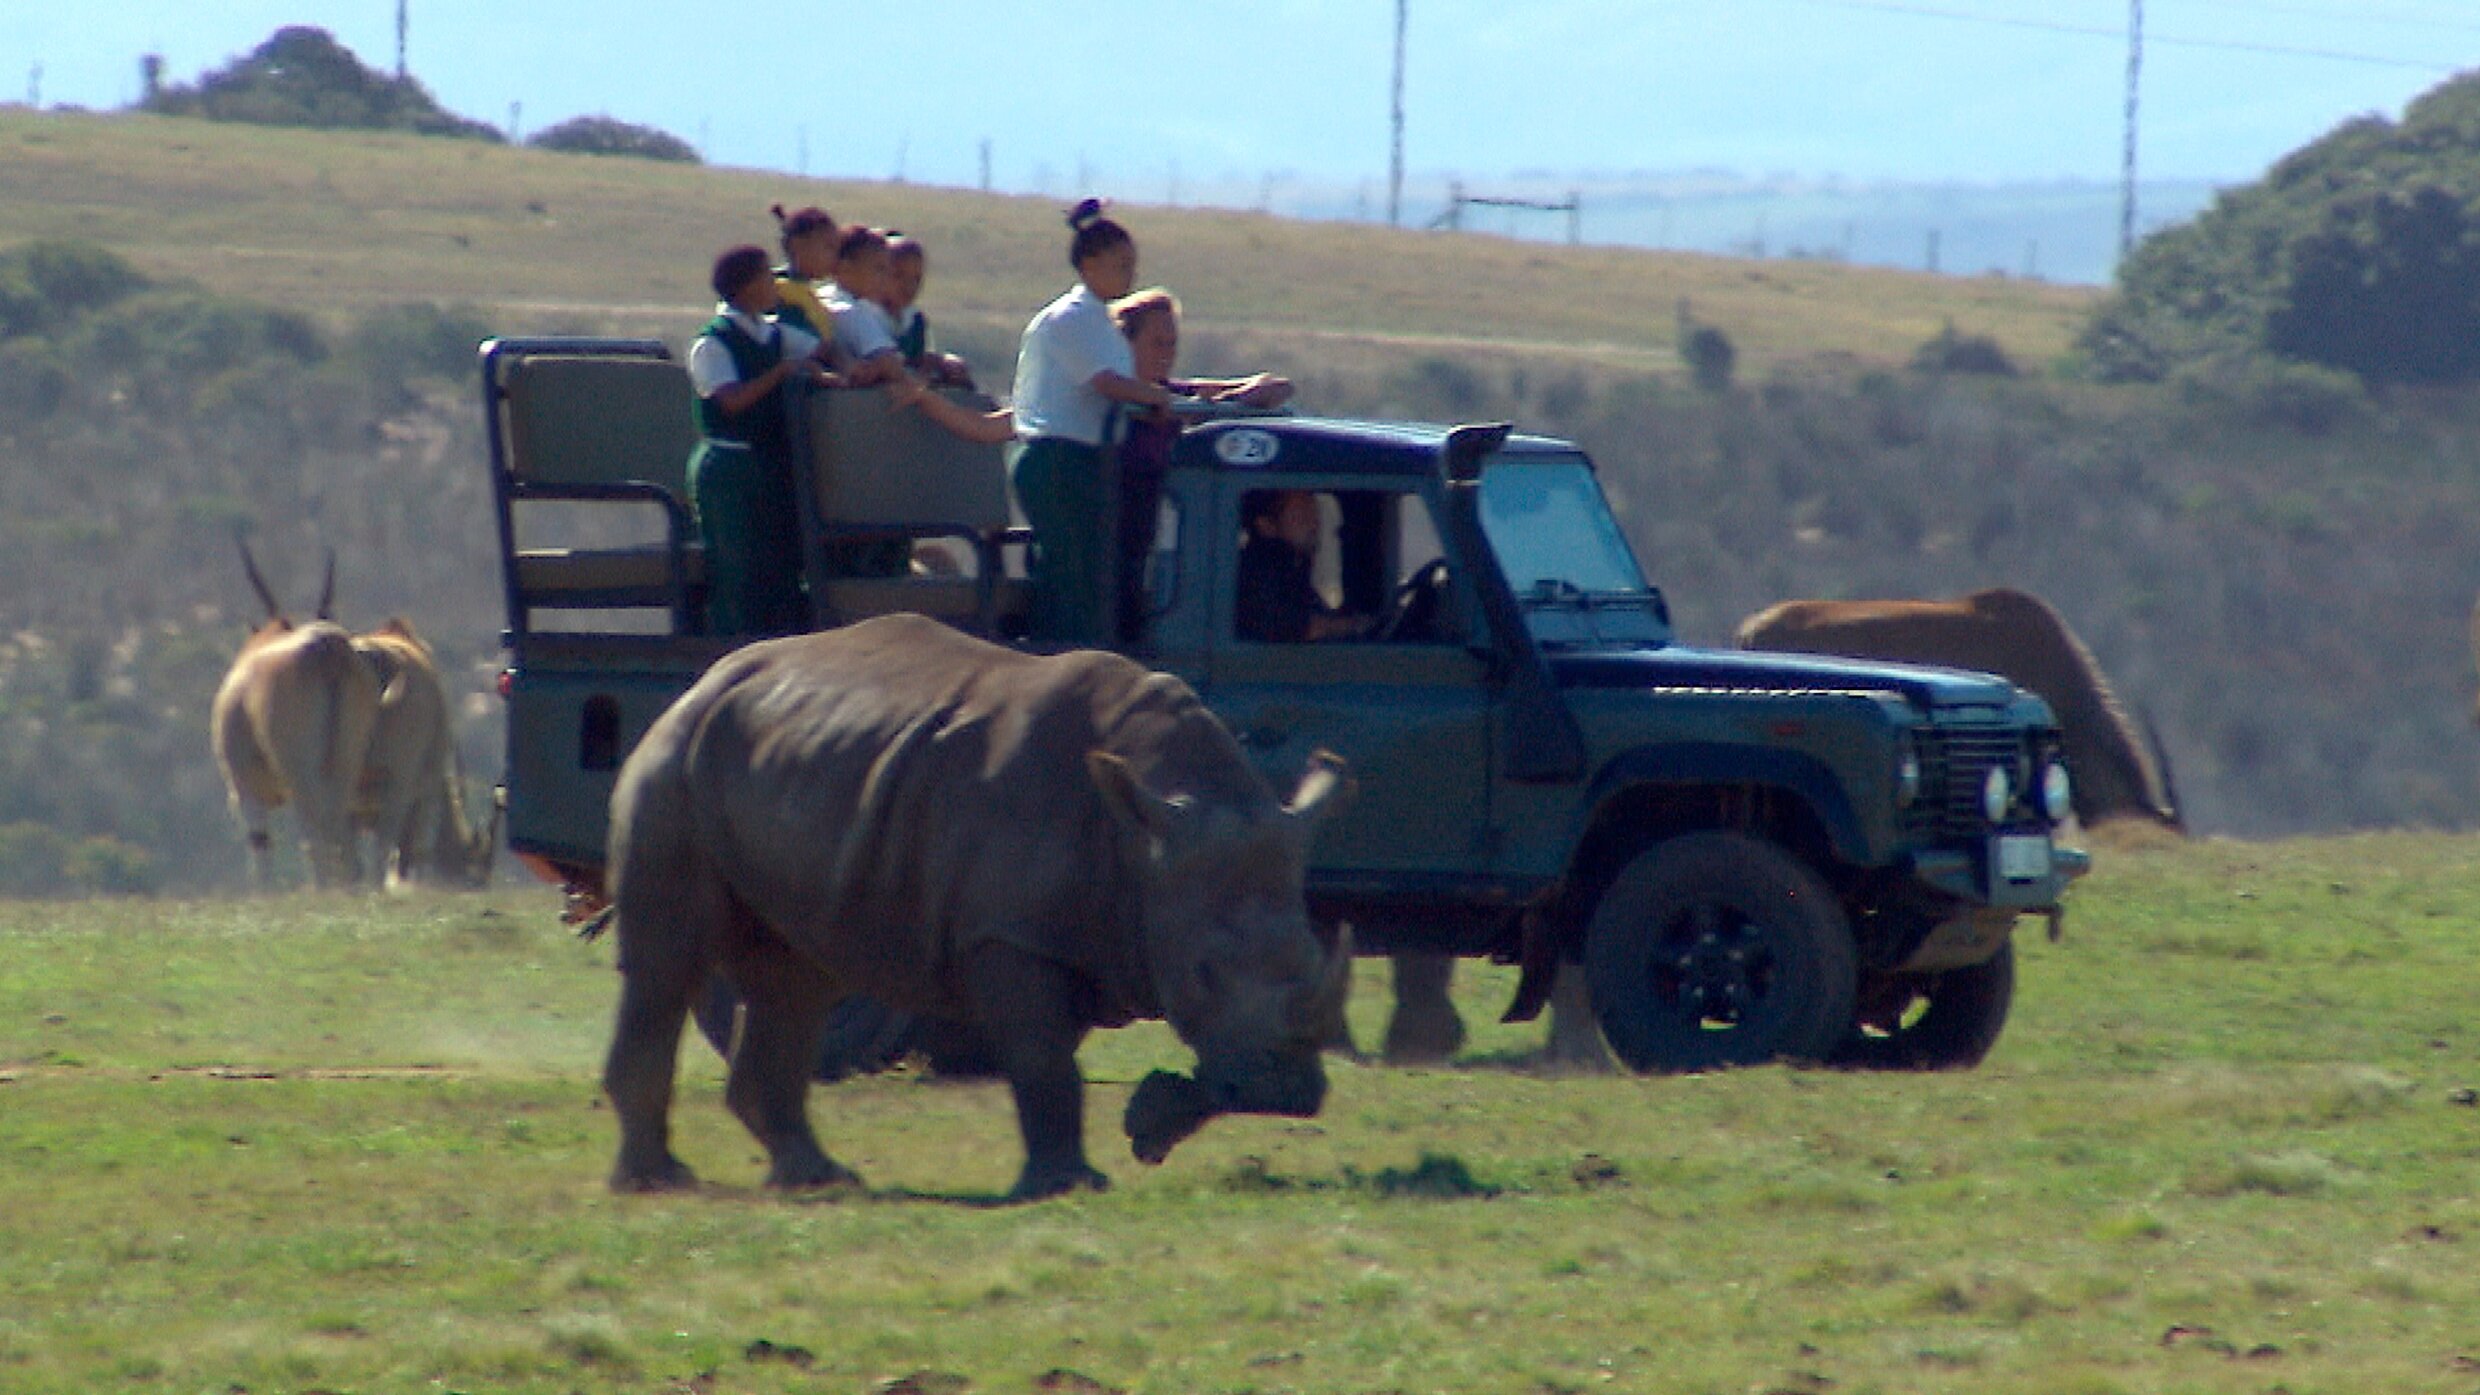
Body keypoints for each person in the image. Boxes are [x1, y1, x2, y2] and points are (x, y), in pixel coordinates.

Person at [1010, 199, 1177, 644]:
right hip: (1058, 459)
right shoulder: (1071, 319)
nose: (1130, 276)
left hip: (1086, 461)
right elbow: (1106, 382)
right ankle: (1058, 651)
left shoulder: (1100, 324)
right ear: (1089, 263)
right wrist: (1156, 398)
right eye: (1121, 265)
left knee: (1091, 569)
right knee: (1073, 574)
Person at [1111, 286, 1293, 643]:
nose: (1167, 354)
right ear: (1124, 344)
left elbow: (1279, 388)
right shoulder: (1113, 399)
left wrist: (1241, 395)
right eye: (1157, 343)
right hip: (1122, 537)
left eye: (1172, 344)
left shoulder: (1170, 393)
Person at [687, 244, 831, 636]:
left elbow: (818, 349)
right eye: (768, 277)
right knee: (736, 567)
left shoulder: (772, 334)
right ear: (748, 286)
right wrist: (781, 373)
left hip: (769, 465)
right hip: (729, 467)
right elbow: (731, 400)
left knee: (777, 567)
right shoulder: (714, 342)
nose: (775, 285)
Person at [1235, 490, 1373, 643]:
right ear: (1267, 525)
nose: (1314, 525)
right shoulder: (1258, 571)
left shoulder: (1293, 568)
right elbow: (1287, 627)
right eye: (1302, 516)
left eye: (1315, 515)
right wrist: (1348, 626)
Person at [822, 226, 910, 388]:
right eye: (879, 269)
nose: (886, 278)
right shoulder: (852, 313)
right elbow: (892, 367)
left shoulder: (819, 298)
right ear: (845, 268)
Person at [884, 232, 973, 386]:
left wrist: (942, 362)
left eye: (916, 279)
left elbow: (919, 358)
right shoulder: (865, 315)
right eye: (898, 276)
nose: (908, 287)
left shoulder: (915, 320)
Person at [769, 204, 841, 342]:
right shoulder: (782, 293)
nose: (835, 256)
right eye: (829, 247)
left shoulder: (807, 294)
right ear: (798, 246)